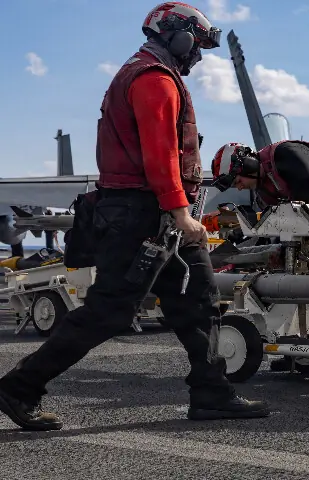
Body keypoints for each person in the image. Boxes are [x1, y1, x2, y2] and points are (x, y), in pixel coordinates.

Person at [0, 2, 270, 432]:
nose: (197, 57)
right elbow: (160, 154)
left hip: (151, 216)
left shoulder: (146, 73)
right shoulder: (154, 80)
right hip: (143, 217)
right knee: (108, 312)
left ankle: (212, 392)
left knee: (198, 303)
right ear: (176, 35)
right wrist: (181, 212)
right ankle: (18, 387)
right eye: (195, 45)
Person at [210, 139, 309, 372]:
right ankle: (297, 344)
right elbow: (286, 221)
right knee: (298, 281)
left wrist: (286, 249)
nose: (239, 187)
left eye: (237, 180)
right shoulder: (264, 186)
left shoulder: (286, 155)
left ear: (248, 165)